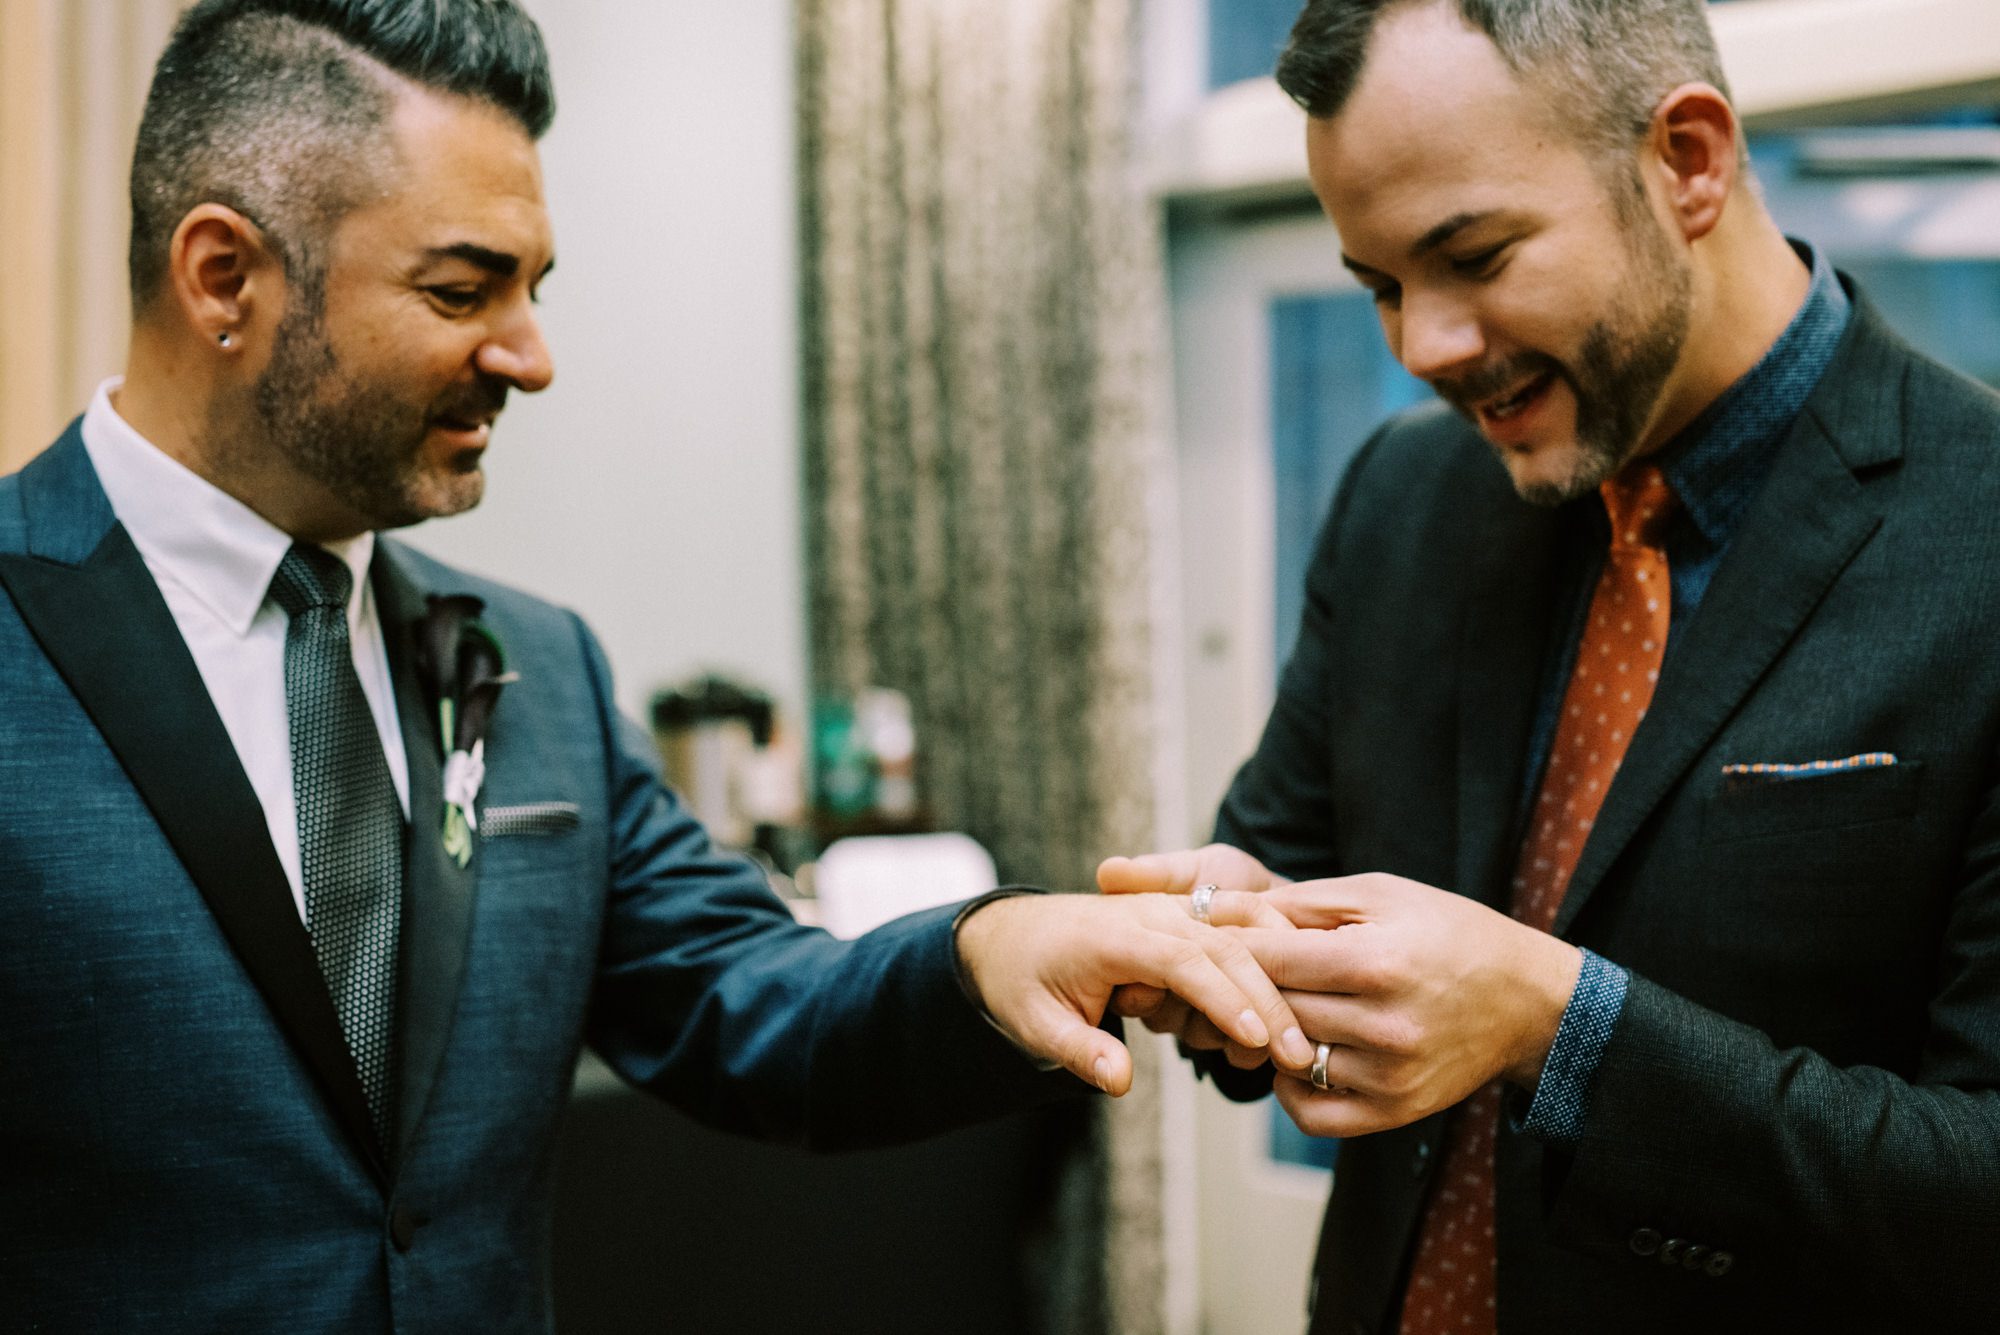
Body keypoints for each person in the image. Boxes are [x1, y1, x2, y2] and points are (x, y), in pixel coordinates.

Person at [0, 1, 1314, 1329]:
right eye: (463, 290)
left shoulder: (538, 667)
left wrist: (1000, 947)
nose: (531, 357)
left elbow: (746, 994)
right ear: (224, 277)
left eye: (533, 289)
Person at [1104, 0, 2000, 1331]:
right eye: (1382, 286)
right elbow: (1281, 859)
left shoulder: (1977, 535)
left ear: (1688, 162)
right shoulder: (1403, 497)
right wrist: (1236, 941)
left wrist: (1553, 1022)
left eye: (1473, 254)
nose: (1424, 347)